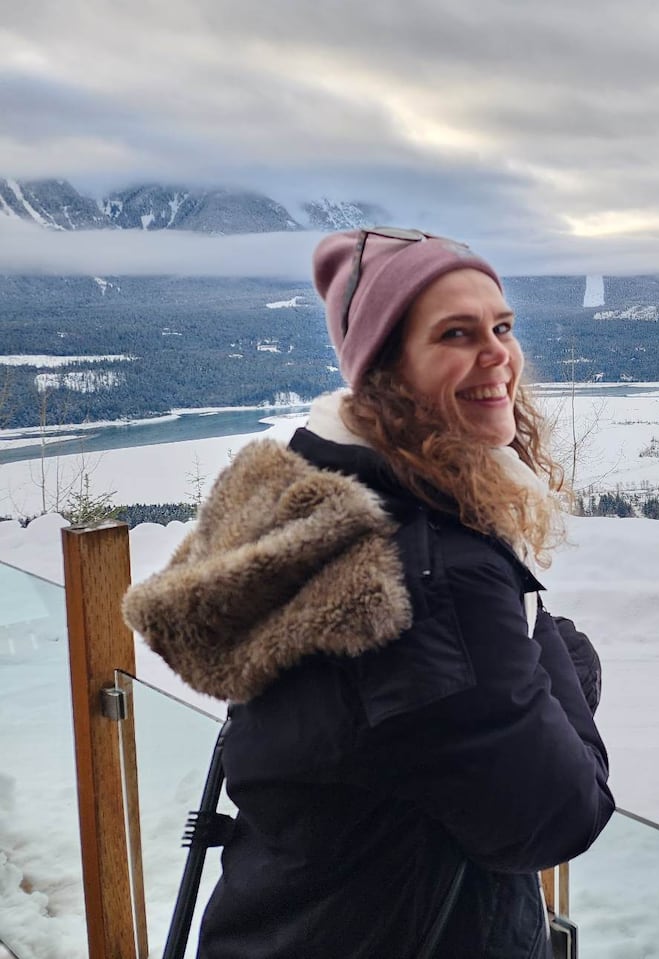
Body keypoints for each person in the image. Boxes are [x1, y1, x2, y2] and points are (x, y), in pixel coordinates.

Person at [123, 227, 614, 958]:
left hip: (278, 923)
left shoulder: (315, 517)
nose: (499, 356)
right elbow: (560, 813)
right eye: (456, 333)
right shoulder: (431, 573)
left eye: (502, 327)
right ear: (388, 372)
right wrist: (550, 646)